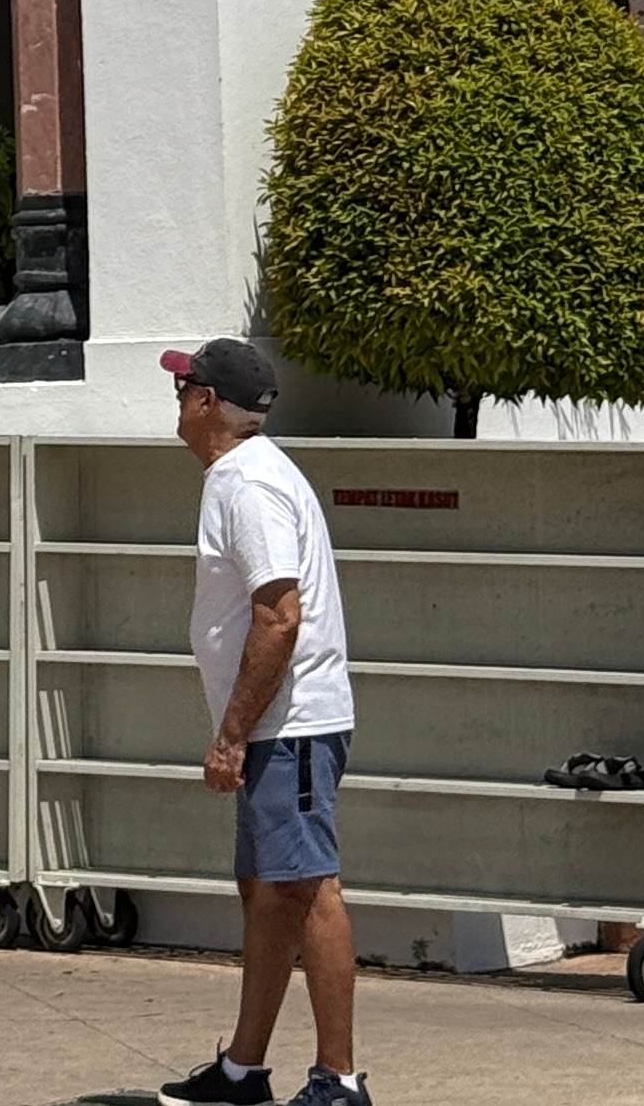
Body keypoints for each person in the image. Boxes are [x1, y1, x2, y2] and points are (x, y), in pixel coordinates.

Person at [156, 335, 367, 1106]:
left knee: (309, 890)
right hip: (280, 725)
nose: (177, 403)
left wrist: (231, 733)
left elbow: (279, 617)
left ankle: (340, 1081)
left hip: (293, 723)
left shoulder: (247, 485)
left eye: (185, 389)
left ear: (209, 402)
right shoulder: (241, 477)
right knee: (267, 889)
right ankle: (244, 1071)